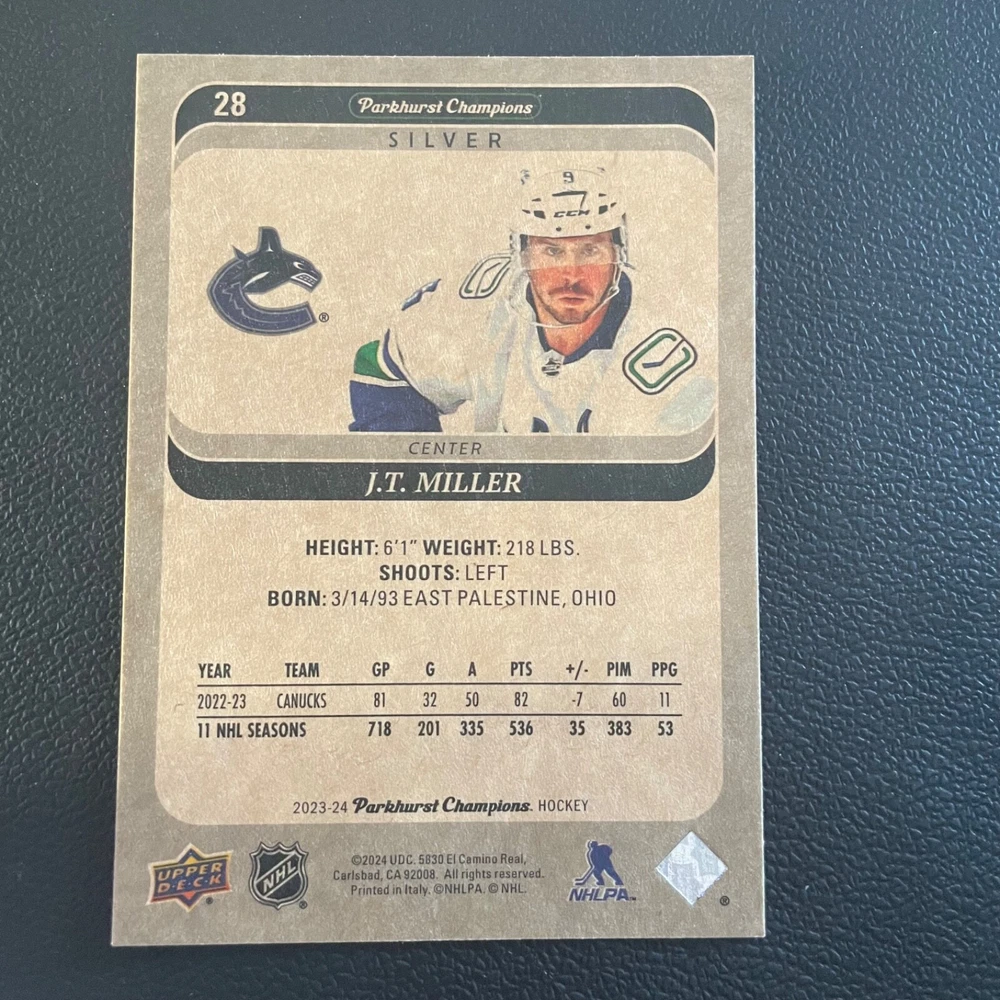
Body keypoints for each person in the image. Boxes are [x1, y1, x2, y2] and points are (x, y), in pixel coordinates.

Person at [348, 168, 715, 435]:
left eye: (590, 250)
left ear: (619, 253)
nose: (571, 275)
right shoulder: (478, 307)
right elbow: (383, 366)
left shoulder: (672, 353)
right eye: (552, 251)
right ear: (521, 256)